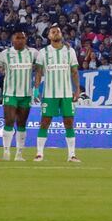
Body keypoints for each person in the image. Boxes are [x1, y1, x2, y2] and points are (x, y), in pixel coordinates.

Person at [33, 24, 81, 162]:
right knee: (45, 122)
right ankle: (39, 153)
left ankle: (71, 155)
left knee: (69, 122)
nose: (55, 33)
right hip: (49, 94)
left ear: (61, 34)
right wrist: (36, 90)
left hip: (66, 93)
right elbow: (39, 72)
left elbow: (74, 71)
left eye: (58, 31)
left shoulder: (69, 51)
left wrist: (77, 89)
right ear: (48, 36)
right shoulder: (44, 52)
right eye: (53, 32)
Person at [0, 30, 37, 161]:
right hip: (10, 93)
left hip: (26, 94)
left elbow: (40, 66)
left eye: (22, 38)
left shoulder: (33, 53)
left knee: (22, 124)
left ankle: (19, 154)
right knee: (9, 121)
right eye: (17, 38)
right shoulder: (4, 54)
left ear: (26, 39)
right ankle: (6, 152)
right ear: (12, 39)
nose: (20, 40)